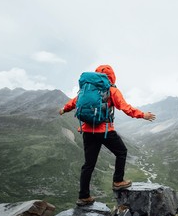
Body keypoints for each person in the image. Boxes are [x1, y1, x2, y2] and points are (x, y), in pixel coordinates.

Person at [59, 65, 156, 206]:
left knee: (88, 164)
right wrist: (143, 115)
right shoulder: (112, 90)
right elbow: (125, 107)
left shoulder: (87, 89)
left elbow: (74, 102)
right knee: (122, 152)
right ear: (112, 76)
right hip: (105, 131)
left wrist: (63, 109)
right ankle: (118, 181)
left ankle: (83, 196)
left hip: (87, 131)